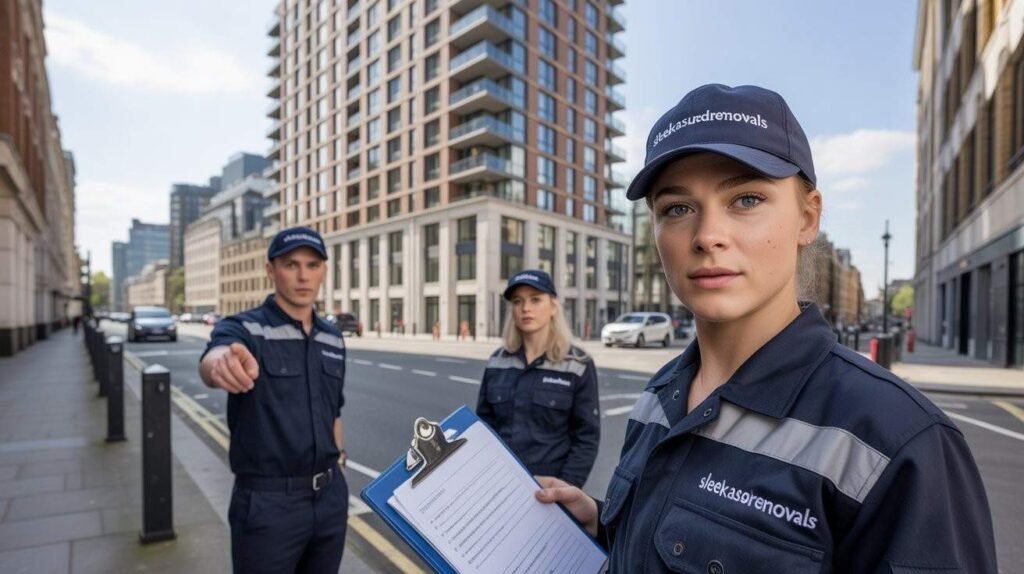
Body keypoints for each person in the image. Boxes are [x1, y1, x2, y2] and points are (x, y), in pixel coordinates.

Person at [535, 84, 997, 573]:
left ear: (807, 218)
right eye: (677, 208)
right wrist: (602, 526)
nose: (708, 236)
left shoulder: (897, 442)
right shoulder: (659, 394)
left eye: (747, 199)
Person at [198, 226, 349, 574]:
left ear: (324, 271)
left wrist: (340, 463)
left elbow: (334, 410)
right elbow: (216, 354)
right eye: (291, 264)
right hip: (268, 505)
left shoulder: (333, 338)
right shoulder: (247, 328)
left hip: (330, 500)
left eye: (312, 265)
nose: (303, 276)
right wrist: (220, 365)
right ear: (271, 270)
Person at [477, 269, 600, 487]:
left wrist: (565, 488)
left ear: (553, 306)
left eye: (535, 299)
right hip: (502, 485)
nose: (525, 308)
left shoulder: (577, 364)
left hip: (551, 490)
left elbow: (586, 438)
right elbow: (484, 429)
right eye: (517, 301)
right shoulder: (497, 361)